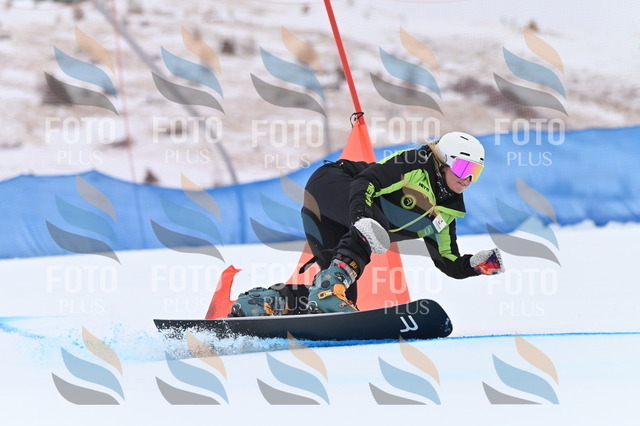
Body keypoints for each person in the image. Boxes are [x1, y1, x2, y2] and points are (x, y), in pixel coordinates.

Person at [301, 131, 505, 313]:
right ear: (444, 162)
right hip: (329, 184)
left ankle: (287, 302)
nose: (467, 178)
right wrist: (361, 217)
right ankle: (327, 290)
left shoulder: (447, 213)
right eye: (463, 167)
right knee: (374, 223)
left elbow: (447, 259)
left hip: (333, 217)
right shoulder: (415, 164)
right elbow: (366, 181)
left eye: (475, 172)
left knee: (340, 297)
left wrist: (474, 265)